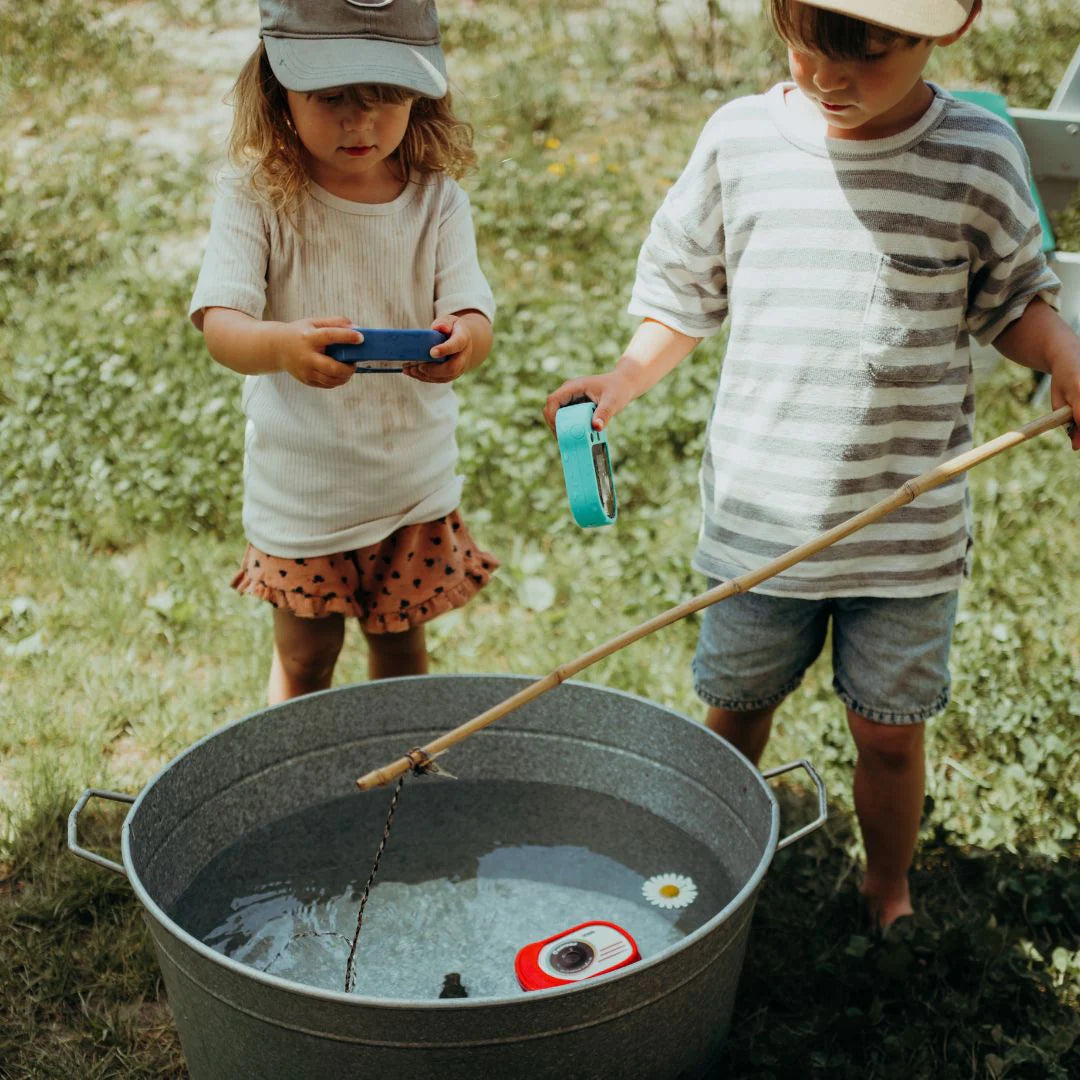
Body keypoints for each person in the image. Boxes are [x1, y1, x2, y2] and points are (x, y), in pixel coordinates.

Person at [544, 0, 1080, 929]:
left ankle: (887, 888)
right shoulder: (742, 140)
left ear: (943, 29)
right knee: (737, 711)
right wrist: (624, 377)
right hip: (764, 524)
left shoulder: (977, 154)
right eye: (805, 48)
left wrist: (1062, 353)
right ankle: (701, 879)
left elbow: (1013, 301)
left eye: (866, 55)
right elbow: (684, 290)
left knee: (888, 734)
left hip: (904, 536)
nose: (829, 79)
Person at [189, 0, 498, 704]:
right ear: (278, 92)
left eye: (385, 96)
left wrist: (463, 341)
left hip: (410, 484)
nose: (360, 123)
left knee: (400, 649)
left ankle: (397, 767)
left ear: (421, 97)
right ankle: (300, 768)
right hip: (304, 490)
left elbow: (472, 312)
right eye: (331, 98)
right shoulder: (257, 198)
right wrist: (281, 346)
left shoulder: (437, 201)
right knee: (305, 657)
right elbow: (221, 325)